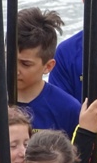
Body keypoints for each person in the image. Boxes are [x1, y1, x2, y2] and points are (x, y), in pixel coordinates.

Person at [16, 7, 81, 137]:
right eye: (9, 60)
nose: (15, 70)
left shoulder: (69, 109)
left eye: (25, 64)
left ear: (48, 66)